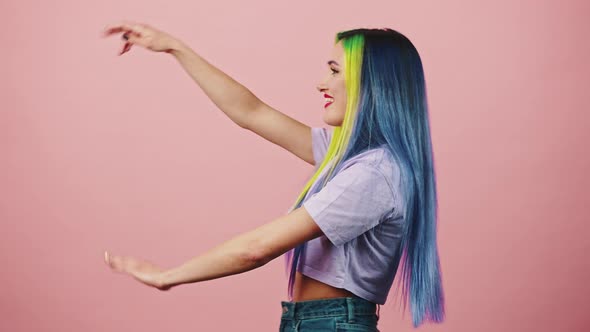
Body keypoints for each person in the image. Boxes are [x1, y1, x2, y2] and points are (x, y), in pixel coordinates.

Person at [101, 22, 445, 330]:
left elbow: (256, 249)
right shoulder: (351, 155)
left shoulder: (373, 173)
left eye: (335, 71)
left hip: (332, 324)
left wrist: (167, 277)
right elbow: (250, 112)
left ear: (373, 83)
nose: (321, 83)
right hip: (318, 321)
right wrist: (175, 47)